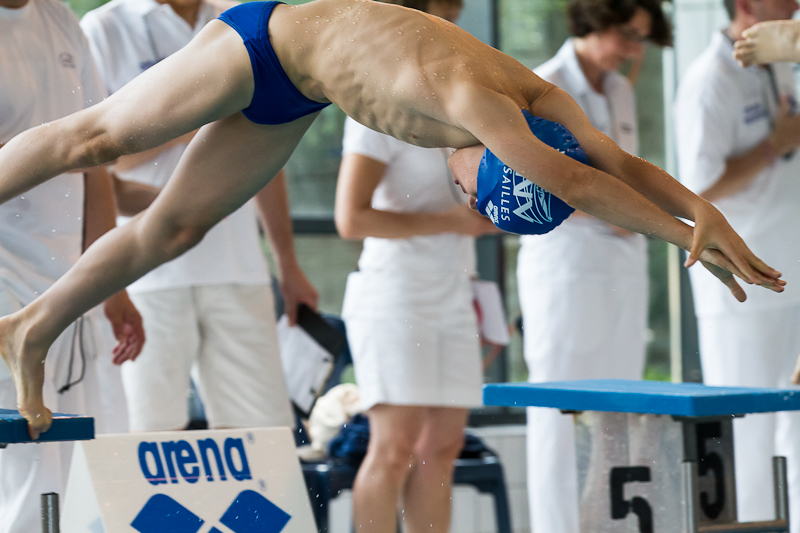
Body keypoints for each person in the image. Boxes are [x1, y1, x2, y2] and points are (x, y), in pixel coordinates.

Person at [0, 0, 785, 439]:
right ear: (498, 159)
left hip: (300, 92)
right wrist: (681, 235)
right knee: (96, 138)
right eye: (476, 195)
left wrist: (700, 209)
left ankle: (32, 326)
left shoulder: (545, 105)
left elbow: (611, 162)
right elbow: (576, 181)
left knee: (176, 229)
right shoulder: (474, 103)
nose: (463, 196)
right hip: (261, 44)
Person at [80, 0, 317, 433]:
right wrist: (203, 113)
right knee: (148, 435)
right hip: (148, 275)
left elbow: (267, 157)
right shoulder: (104, 28)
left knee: (265, 435)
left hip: (238, 268)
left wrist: (287, 264)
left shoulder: (243, 20)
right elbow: (101, 155)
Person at [335, 2, 495, 531]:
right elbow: (351, 218)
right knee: (395, 447)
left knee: (442, 448)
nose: (450, 27)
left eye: (453, 15)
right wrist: (451, 222)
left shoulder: (461, 105)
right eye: (440, 15)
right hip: (395, 296)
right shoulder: (375, 106)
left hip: (453, 291)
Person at [517, 1, 671, 531]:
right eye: (626, 34)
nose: (632, 49)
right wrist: (613, 210)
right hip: (565, 266)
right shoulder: (541, 86)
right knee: (557, 412)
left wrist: (632, 213)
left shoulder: (620, 90)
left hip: (621, 266)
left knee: (617, 413)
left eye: (640, 38)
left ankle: (607, 525)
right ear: (593, 19)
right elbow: (534, 182)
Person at [0, 0, 145, 529]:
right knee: (25, 468)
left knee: (78, 470)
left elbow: (95, 162)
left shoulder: (60, 19)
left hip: (67, 290)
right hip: (6, 286)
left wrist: (110, 285)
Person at [674, 0, 800, 526]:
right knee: (746, 434)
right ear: (747, 4)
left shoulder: (781, 63)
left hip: (791, 275)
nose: (795, 4)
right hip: (743, 286)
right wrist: (772, 147)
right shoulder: (710, 79)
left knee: (796, 431)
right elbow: (697, 191)